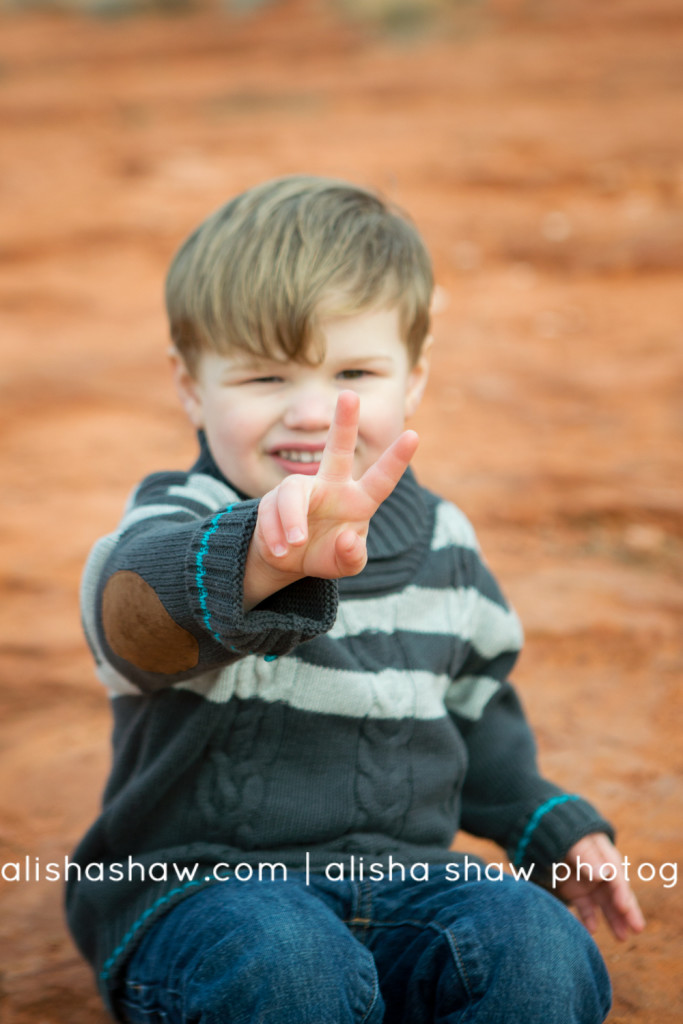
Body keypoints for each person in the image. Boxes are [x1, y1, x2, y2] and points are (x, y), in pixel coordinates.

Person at [66, 175, 644, 1024]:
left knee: (540, 950)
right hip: (202, 891)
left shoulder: (445, 539)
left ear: (413, 378)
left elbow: (472, 711)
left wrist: (543, 822)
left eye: (354, 371)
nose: (311, 412)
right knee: (292, 967)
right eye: (264, 377)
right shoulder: (182, 520)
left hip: (407, 885)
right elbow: (130, 623)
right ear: (191, 386)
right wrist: (259, 558)